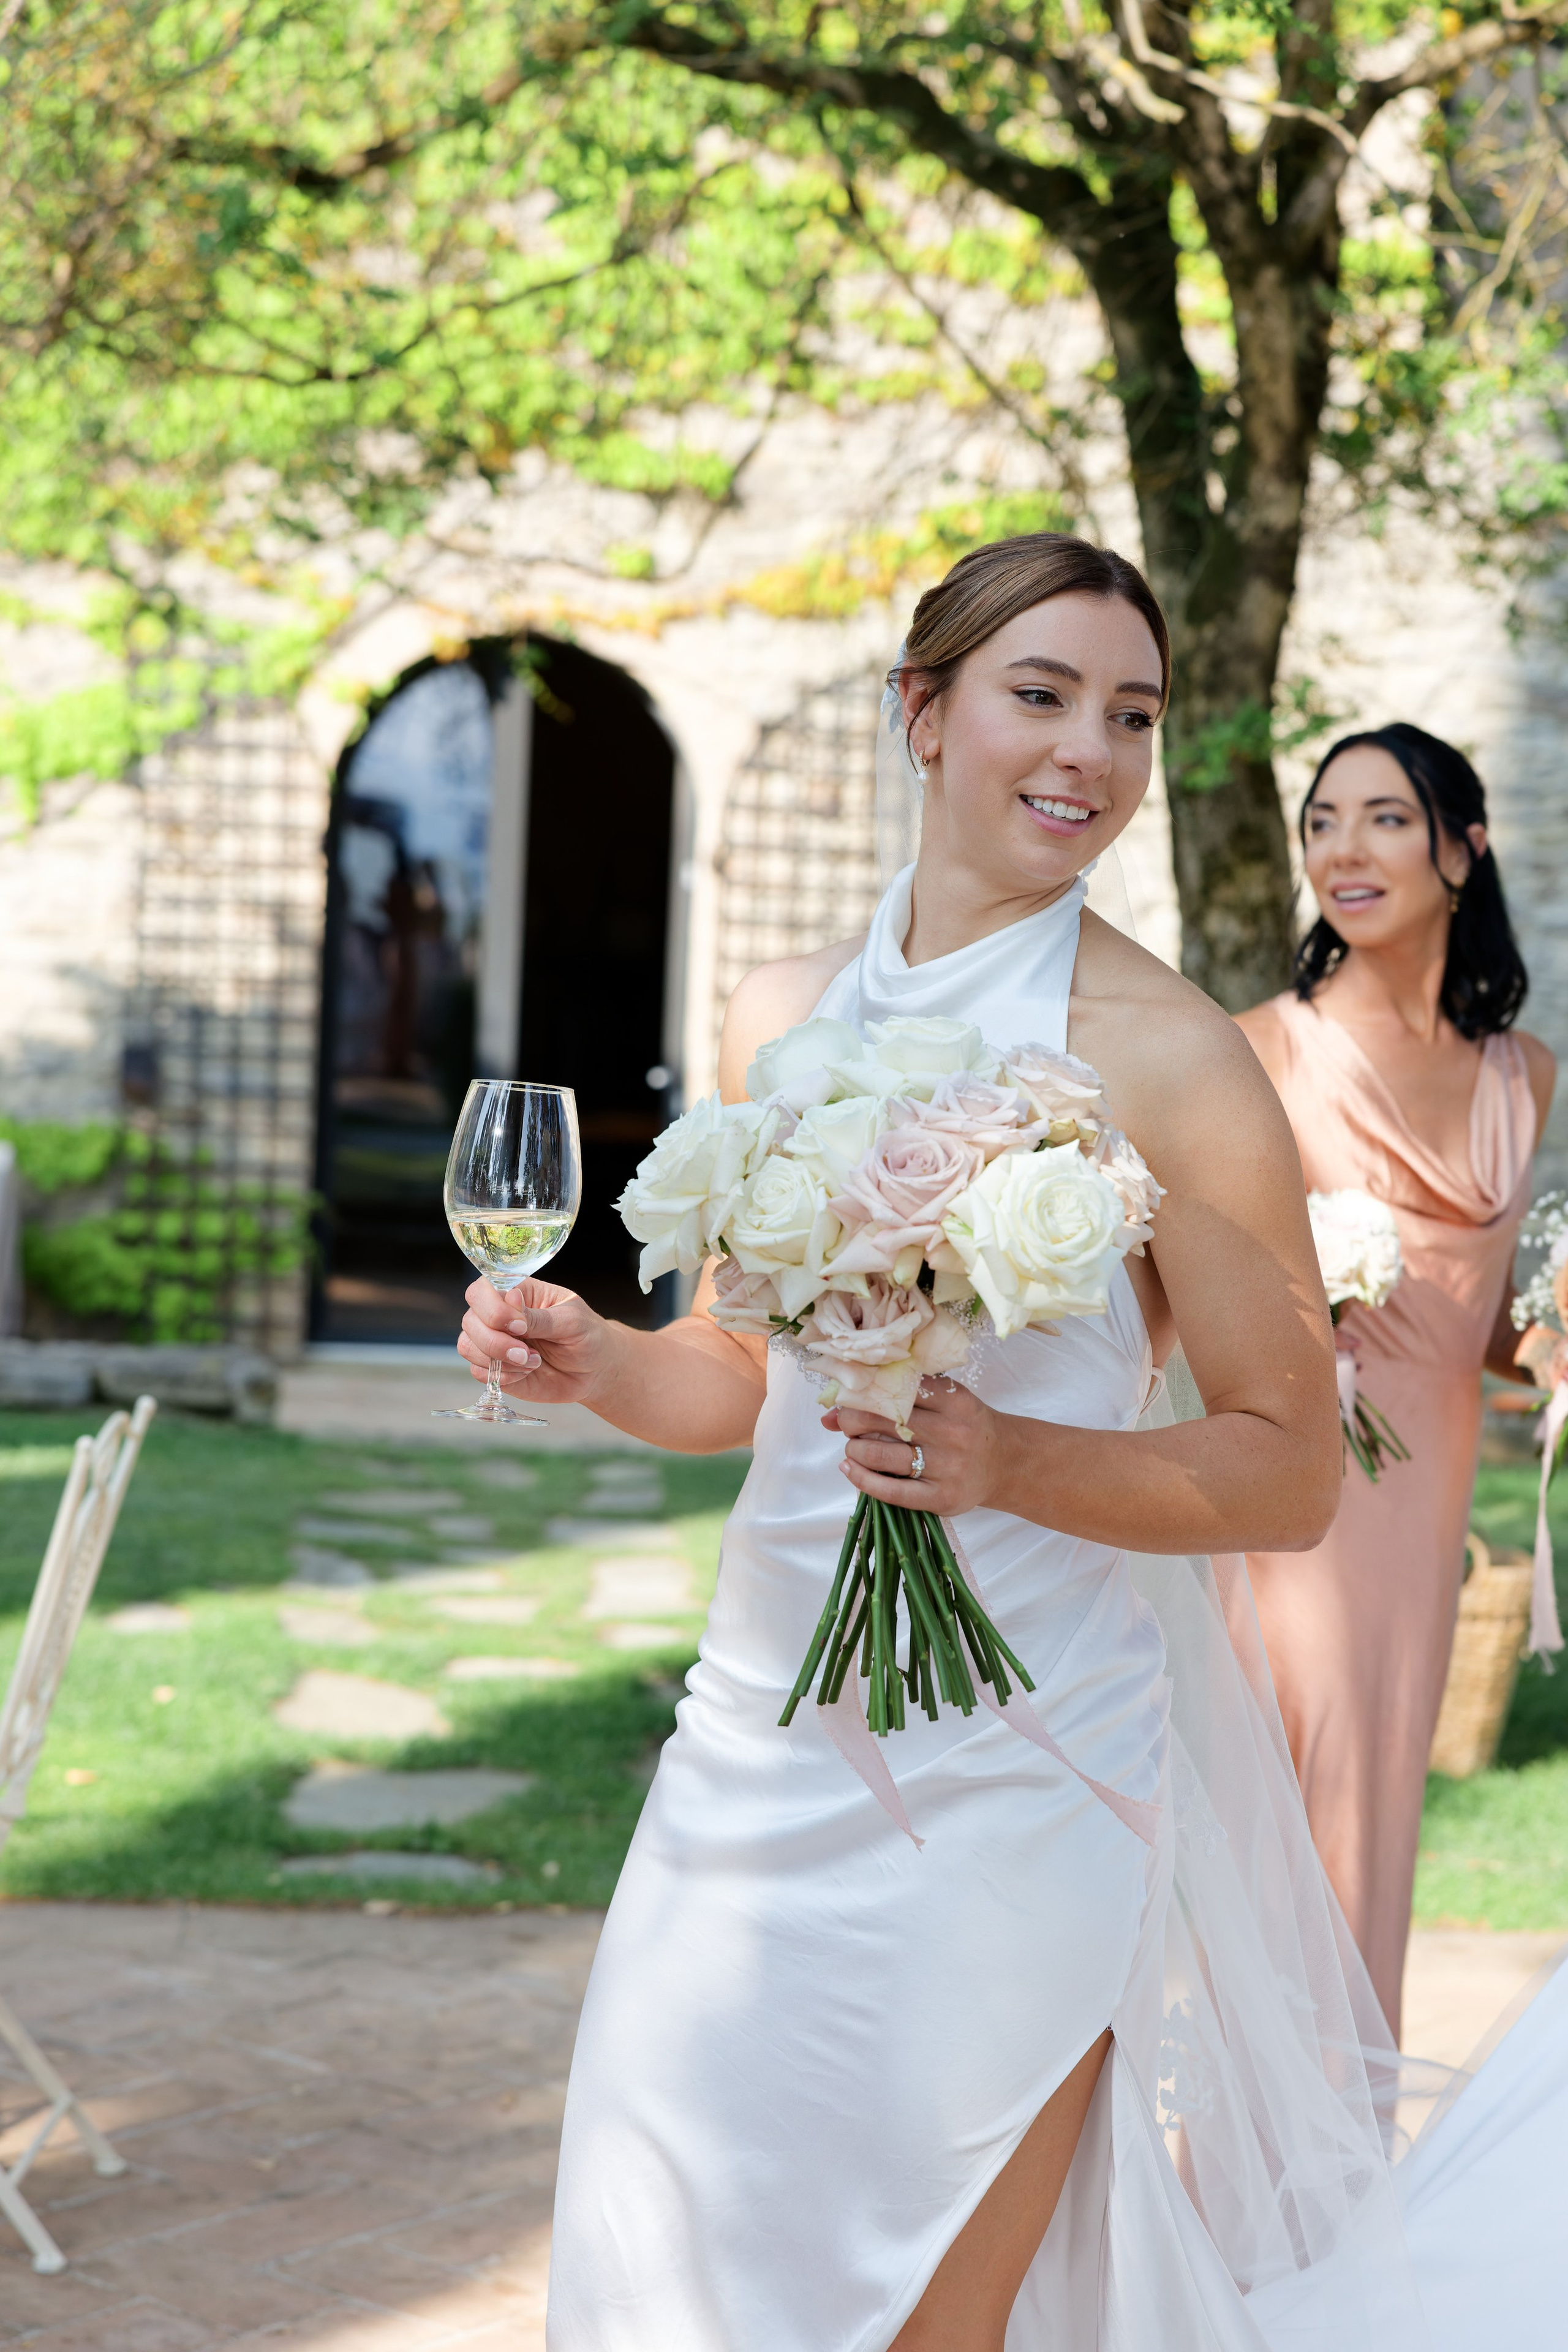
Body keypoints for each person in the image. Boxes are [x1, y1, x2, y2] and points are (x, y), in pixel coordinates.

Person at [458, 542, 1568, 2350]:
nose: (1091, 753)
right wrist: (593, 1360)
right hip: (751, 1755)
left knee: (916, 2316)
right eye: (1039, 696)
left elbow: (1289, 1465)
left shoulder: (1180, 1061)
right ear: (926, 713)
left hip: (1021, 1779)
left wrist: (1010, 1466)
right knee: (664, 2276)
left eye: (1130, 714)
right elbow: (741, 1372)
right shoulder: (777, 1014)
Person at [1236, 726, 1555, 2037]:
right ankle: (1224, 2193)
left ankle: (1329, 2191)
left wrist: (1541, 1343)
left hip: (1421, 1520)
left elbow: (1470, 1316)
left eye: (1380, 818)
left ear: (1460, 848)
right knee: (1294, 1828)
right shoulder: (1261, 1053)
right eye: (1321, 820)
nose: (1340, 850)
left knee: (1374, 1837)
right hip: (1294, 1508)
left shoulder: (1521, 1078)